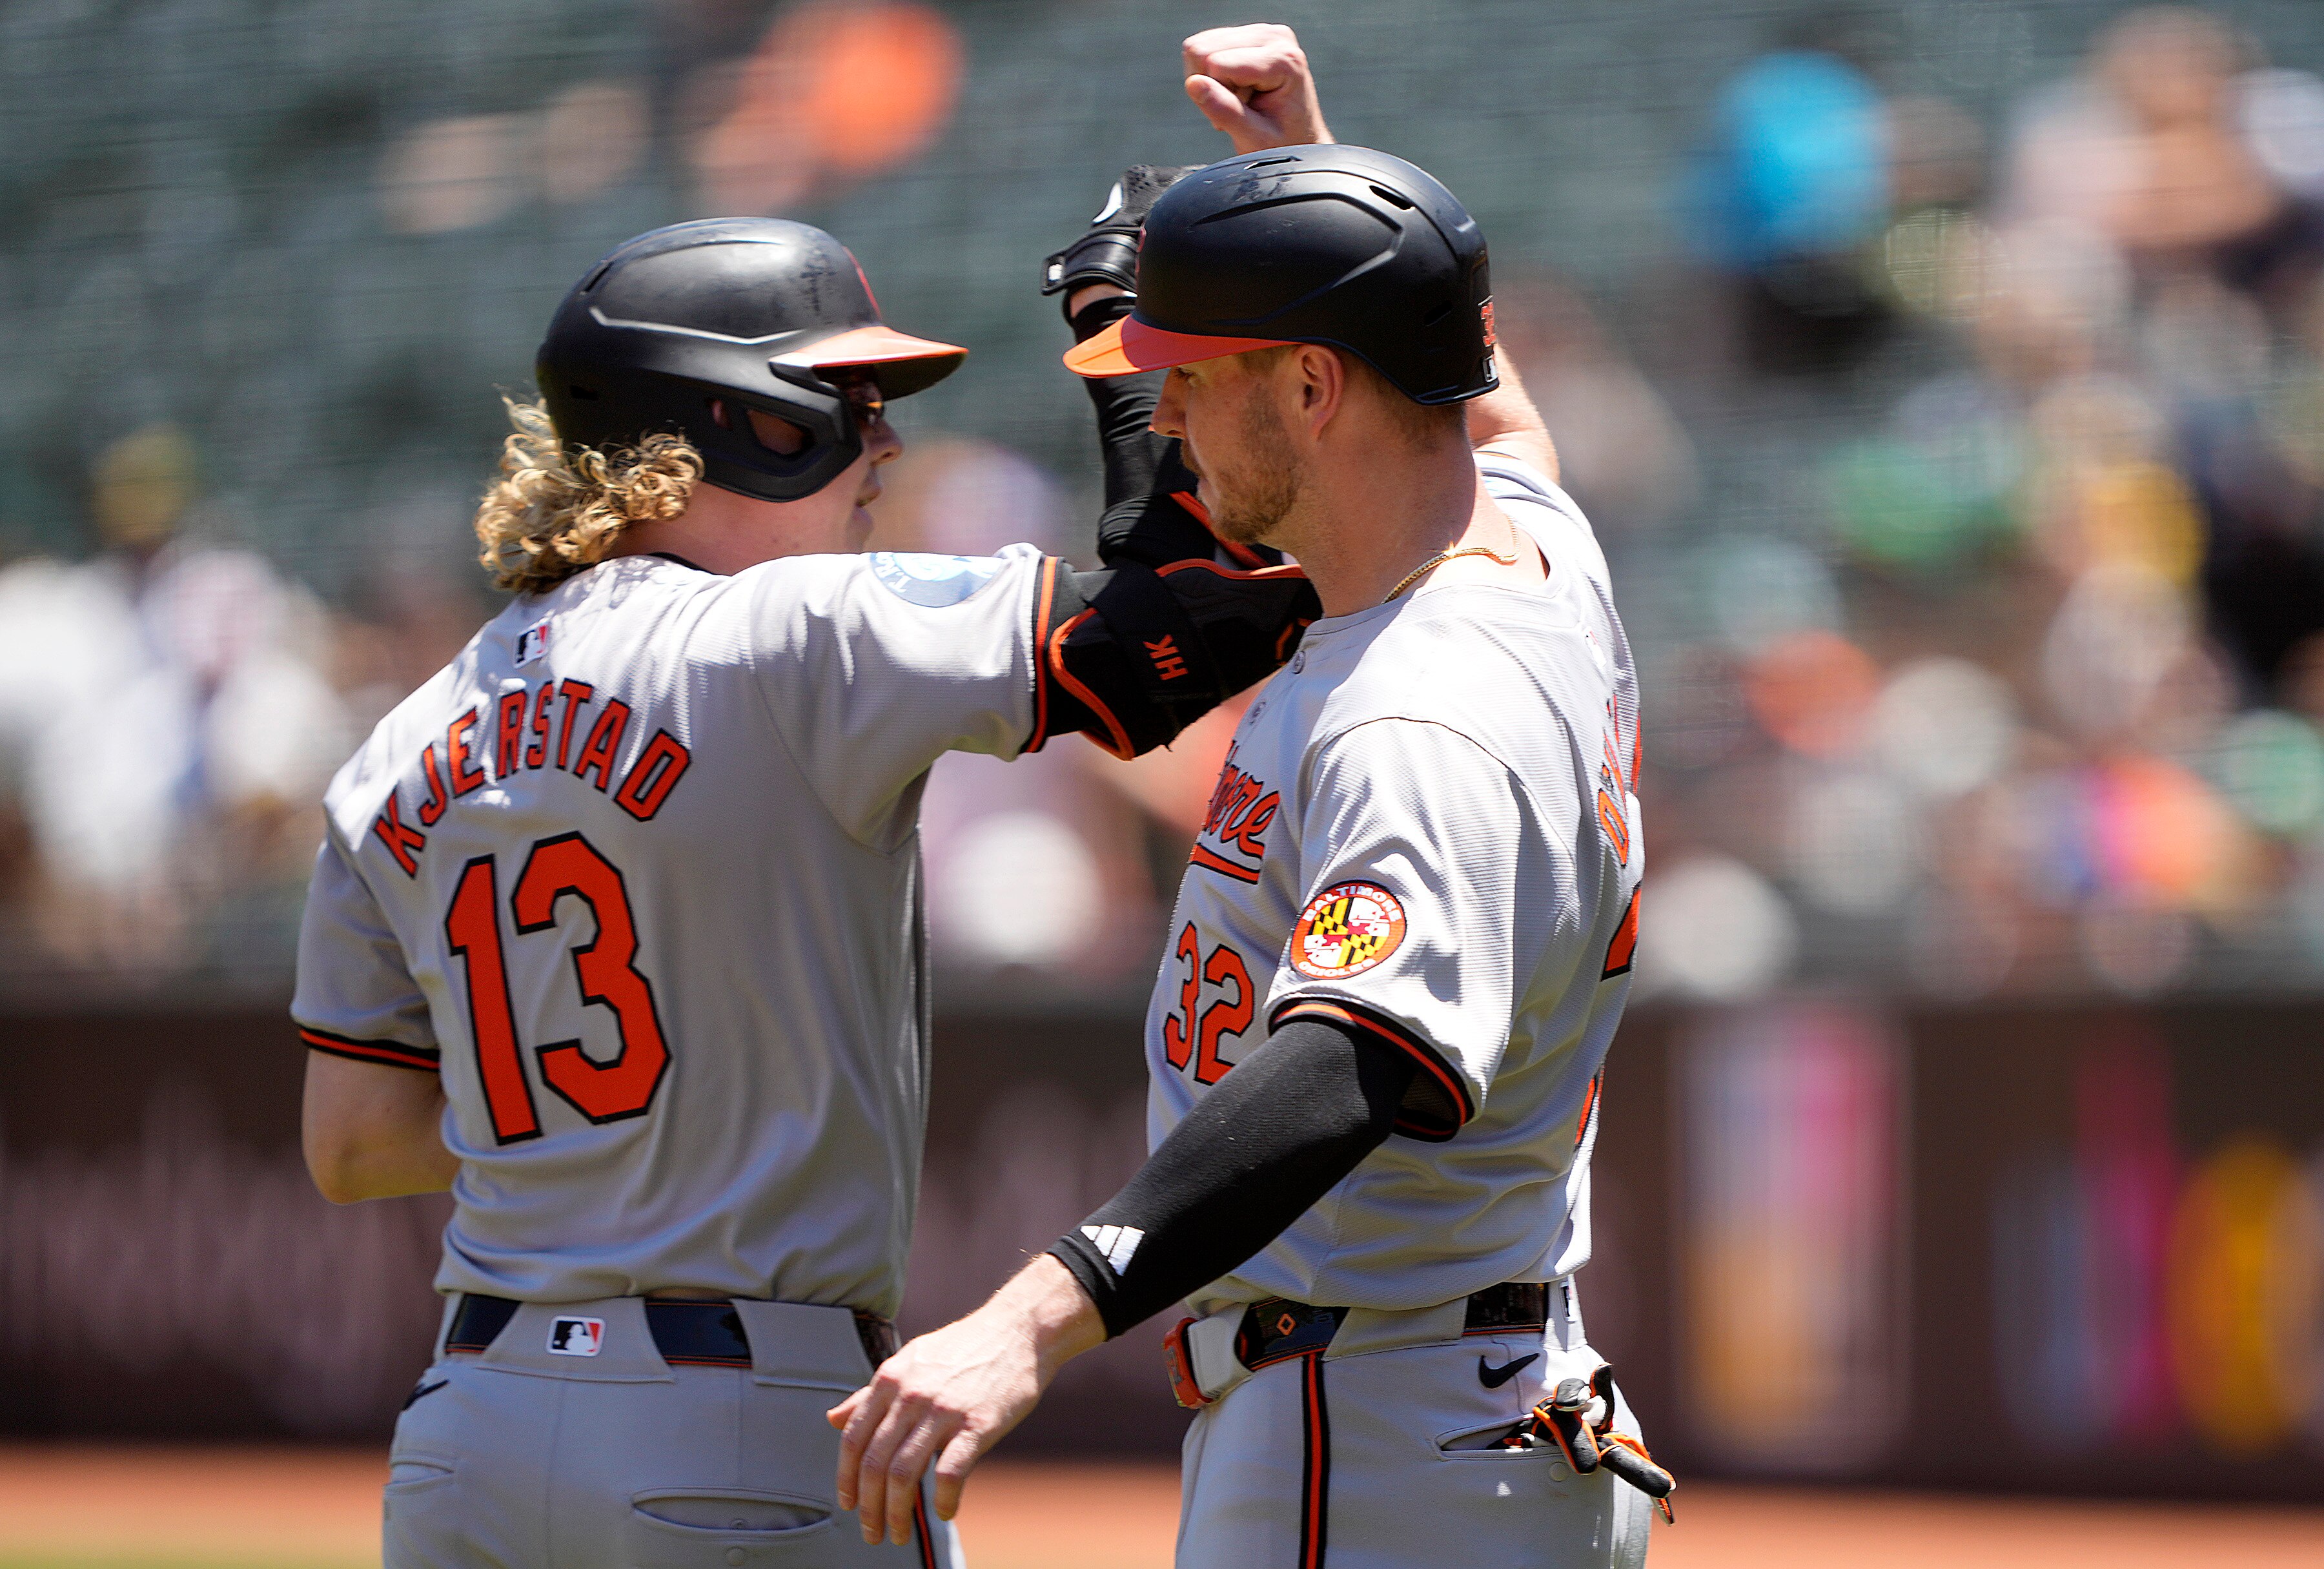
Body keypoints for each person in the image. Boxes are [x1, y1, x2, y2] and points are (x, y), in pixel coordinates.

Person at [292, 212, 1315, 1568]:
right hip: (732, 1425)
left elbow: (355, 1141)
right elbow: (1203, 612)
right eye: (849, 401)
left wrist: (636, 1102)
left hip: (470, 1429)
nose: (885, 442)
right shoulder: (793, 632)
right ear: (737, 421)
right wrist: (1122, 340)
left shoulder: (400, 739)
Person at [832, 26, 1659, 1568]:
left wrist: (1029, 1320)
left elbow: (1350, 1066)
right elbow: (1497, 420)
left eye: (1193, 382)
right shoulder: (1532, 546)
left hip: (1382, 1423)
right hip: (1461, 1400)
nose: (1168, 424)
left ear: (1314, 384)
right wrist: (1312, 172)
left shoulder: (1428, 704)